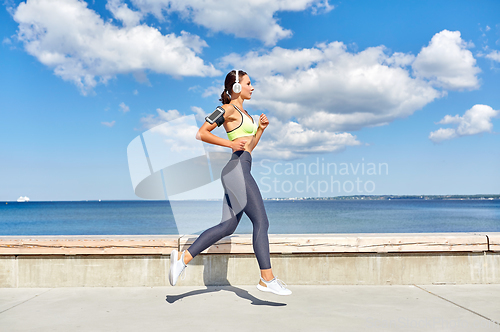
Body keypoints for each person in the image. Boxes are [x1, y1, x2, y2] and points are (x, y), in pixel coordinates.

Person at [169, 70, 291, 296]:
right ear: (236, 87)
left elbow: (249, 148)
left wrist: (260, 130)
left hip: (240, 167)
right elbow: (202, 133)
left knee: (228, 226)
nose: (252, 87)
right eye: (248, 83)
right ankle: (267, 278)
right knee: (261, 222)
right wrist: (229, 144)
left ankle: (182, 259)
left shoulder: (247, 114)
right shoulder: (227, 110)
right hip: (237, 170)